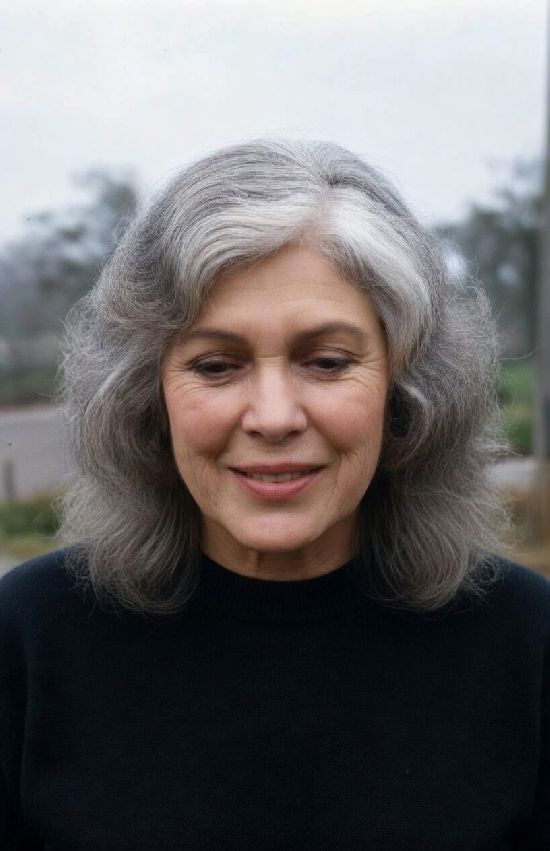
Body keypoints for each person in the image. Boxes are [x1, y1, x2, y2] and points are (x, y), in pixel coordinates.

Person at [1, 139, 548, 850]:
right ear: (146, 396)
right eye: (216, 365)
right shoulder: (29, 641)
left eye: (326, 361)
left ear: (407, 389)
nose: (273, 416)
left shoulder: (526, 646)